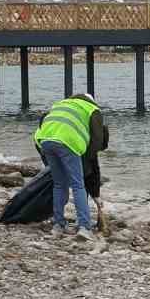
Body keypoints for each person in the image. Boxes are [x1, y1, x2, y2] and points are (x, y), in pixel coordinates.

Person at [32, 93, 109, 240]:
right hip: (67, 141)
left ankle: (59, 225)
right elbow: (97, 143)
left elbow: (40, 131)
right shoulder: (92, 109)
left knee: (59, 184)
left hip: (44, 140)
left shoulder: (61, 104)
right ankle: (84, 228)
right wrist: (87, 164)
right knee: (78, 185)